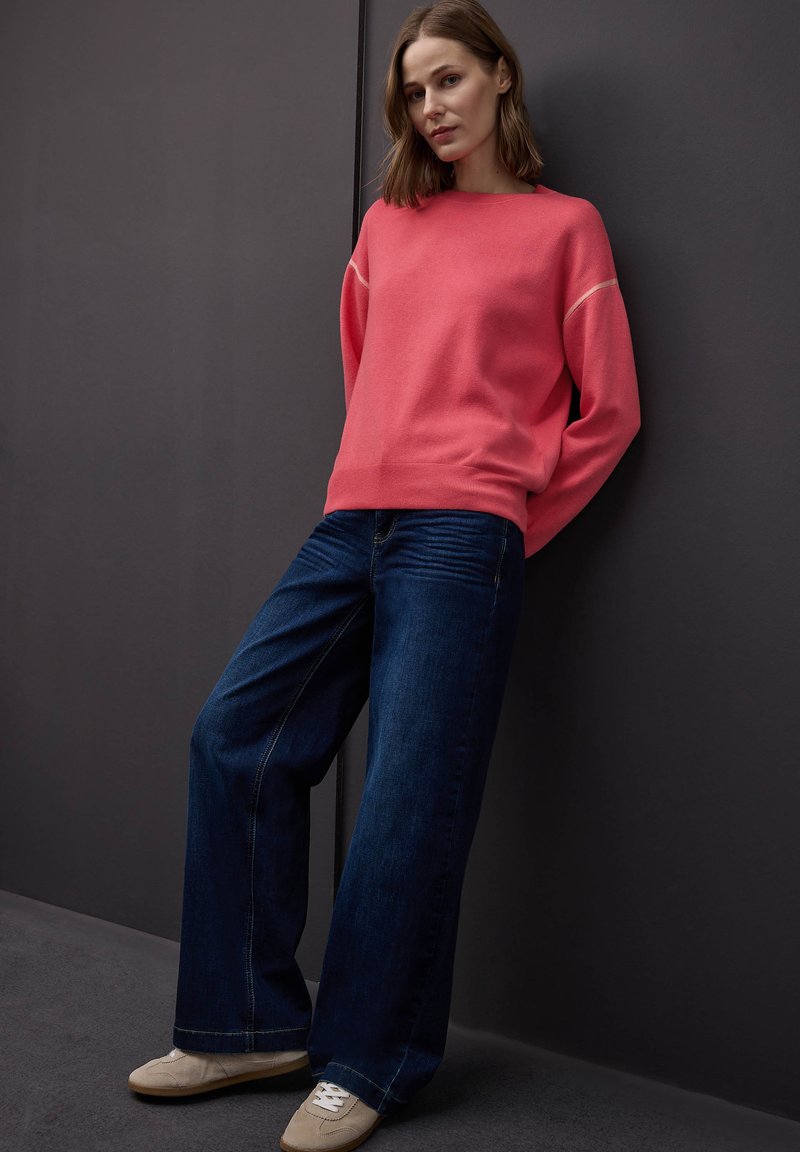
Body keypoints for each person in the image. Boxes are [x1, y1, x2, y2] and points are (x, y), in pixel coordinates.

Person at [127, 1, 641, 1149]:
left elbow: (607, 413)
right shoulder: (387, 226)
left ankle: (368, 1059)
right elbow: (368, 374)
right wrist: (380, 474)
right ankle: (246, 1026)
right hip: (350, 522)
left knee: (408, 793)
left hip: (464, 536)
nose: (430, 107)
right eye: (413, 91)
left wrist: (503, 524)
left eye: (448, 79)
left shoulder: (565, 229)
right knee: (234, 738)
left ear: (499, 77)